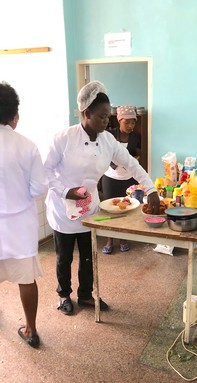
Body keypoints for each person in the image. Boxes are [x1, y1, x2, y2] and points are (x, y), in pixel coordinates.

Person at [44, 81, 160, 316]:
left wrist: (151, 190)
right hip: (63, 207)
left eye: (109, 116)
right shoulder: (64, 137)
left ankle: (86, 294)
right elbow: (44, 170)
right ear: (86, 113)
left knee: (89, 254)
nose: (106, 121)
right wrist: (66, 191)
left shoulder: (108, 140)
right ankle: (64, 295)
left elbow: (131, 163)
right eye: (101, 116)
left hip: (90, 209)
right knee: (64, 257)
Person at [0, 82, 48, 348]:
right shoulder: (27, 146)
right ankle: (30, 329)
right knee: (25, 279)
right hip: (19, 224)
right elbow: (39, 187)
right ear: (15, 116)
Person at [101, 105, 141, 254]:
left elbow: (139, 152)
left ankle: (123, 238)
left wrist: (136, 158)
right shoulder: (109, 135)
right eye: (127, 122)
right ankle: (109, 240)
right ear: (119, 120)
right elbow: (104, 153)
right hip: (111, 178)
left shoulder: (136, 136)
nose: (130, 126)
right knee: (110, 209)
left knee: (126, 209)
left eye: (133, 122)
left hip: (128, 179)